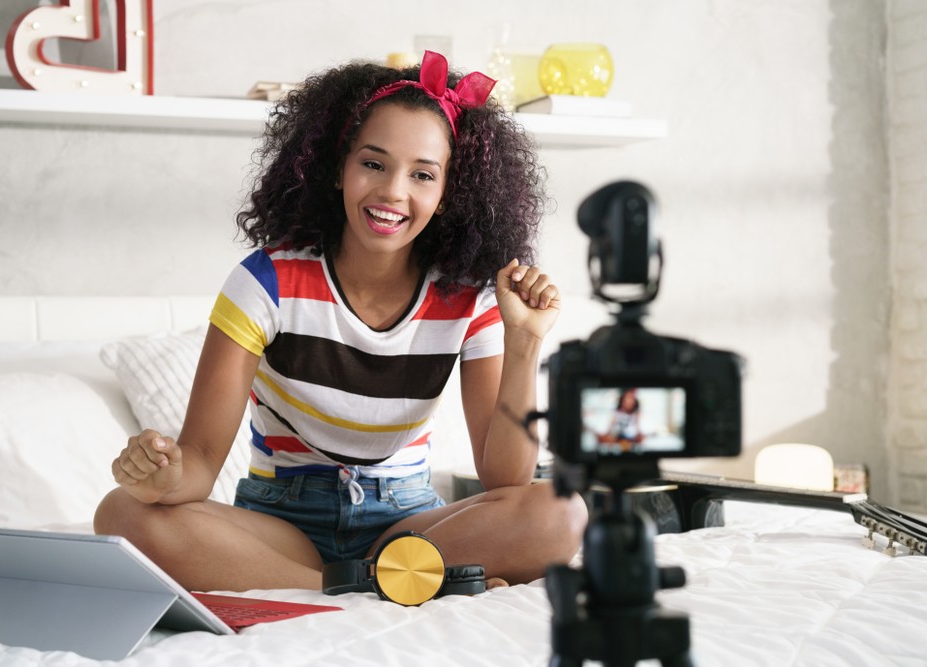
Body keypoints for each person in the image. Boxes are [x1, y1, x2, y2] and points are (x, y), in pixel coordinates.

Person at [94, 51, 588, 594]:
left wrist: (524, 342)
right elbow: (203, 462)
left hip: (410, 528)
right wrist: (162, 479)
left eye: (423, 175)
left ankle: (360, 581)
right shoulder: (267, 282)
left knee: (561, 511)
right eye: (373, 164)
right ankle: (386, 590)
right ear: (337, 168)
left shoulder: (469, 297)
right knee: (122, 514)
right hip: (281, 525)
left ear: (450, 194)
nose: (393, 192)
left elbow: (506, 482)